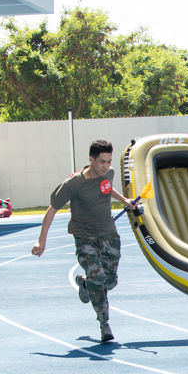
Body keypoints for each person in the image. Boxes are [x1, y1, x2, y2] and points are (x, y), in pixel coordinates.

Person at [32, 139, 136, 343]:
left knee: (110, 281)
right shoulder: (74, 183)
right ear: (91, 159)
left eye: (108, 161)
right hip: (84, 236)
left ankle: (85, 284)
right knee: (97, 278)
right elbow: (52, 209)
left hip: (108, 235)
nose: (106, 166)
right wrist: (40, 241)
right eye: (102, 162)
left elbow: (106, 188)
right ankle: (104, 323)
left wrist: (125, 201)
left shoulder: (109, 173)